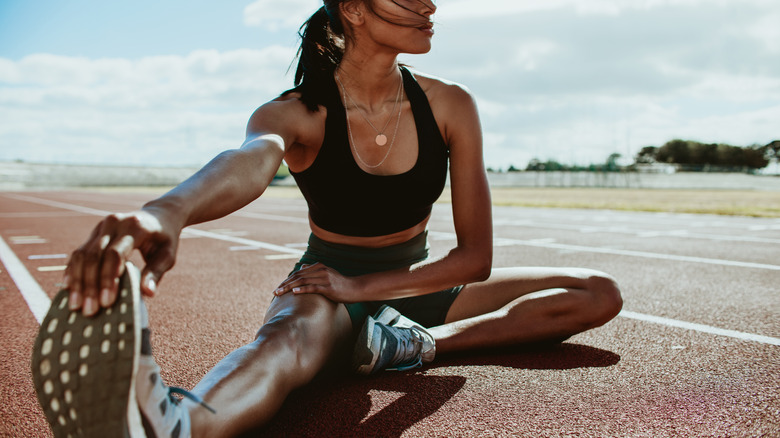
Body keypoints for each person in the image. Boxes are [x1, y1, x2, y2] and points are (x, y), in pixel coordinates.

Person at [31, 1, 623, 437]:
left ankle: (411, 344)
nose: (429, 5)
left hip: (421, 286)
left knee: (596, 293)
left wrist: (364, 288)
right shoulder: (297, 113)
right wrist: (167, 211)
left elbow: (475, 260)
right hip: (325, 290)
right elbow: (246, 162)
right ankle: (179, 424)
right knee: (281, 344)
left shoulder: (451, 105)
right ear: (355, 10)